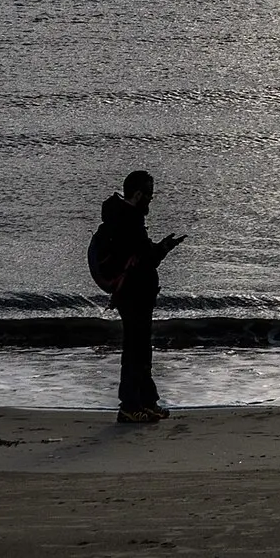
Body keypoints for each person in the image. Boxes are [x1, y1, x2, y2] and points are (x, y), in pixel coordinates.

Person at [94, 170, 185, 424]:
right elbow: (145, 259)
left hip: (132, 294)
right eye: (149, 195)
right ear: (137, 194)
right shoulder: (129, 221)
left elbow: (140, 256)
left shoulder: (121, 217)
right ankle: (129, 406)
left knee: (141, 349)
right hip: (132, 295)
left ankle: (147, 402)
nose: (151, 201)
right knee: (136, 351)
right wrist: (163, 249)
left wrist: (159, 248)